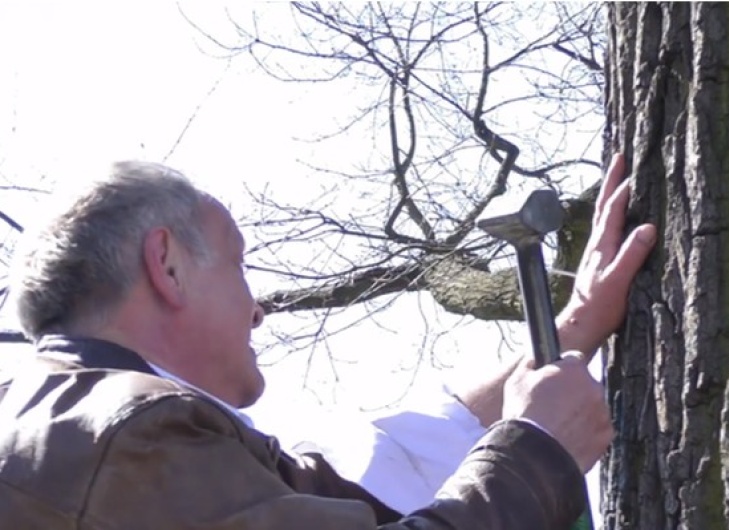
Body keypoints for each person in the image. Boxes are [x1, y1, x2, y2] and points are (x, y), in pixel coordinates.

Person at [0, 154, 656, 529]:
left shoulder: (84, 427)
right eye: (238, 264)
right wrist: (538, 455)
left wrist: (569, 332)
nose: (256, 309)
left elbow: (373, 479)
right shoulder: (126, 434)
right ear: (167, 264)